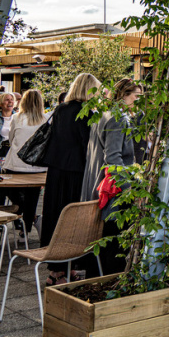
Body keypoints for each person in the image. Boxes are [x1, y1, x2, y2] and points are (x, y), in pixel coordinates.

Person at [40, 73, 100, 285]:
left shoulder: (60, 109)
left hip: (56, 172)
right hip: (76, 173)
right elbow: (88, 146)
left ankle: (59, 268)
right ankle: (64, 269)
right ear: (88, 89)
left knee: (55, 217)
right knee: (72, 221)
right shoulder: (85, 112)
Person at [82, 78, 142, 275]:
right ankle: (110, 278)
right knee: (114, 241)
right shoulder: (118, 118)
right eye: (136, 96)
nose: (139, 100)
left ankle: (100, 275)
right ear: (124, 95)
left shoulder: (104, 114)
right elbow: (114, 158)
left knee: (104, 238)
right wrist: (130, 190)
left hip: (101, 182)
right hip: (114, 189)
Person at [1, 89, 50, 235]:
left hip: (16, 164)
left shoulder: (17, 118)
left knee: (8, 190)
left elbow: (11, 139)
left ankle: (28, 220)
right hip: (38, 166)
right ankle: (28, 226)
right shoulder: (47, 118)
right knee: (32, 198)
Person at [0, 92, 16, 157]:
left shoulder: (19, 118)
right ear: (0, 103)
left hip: (15, 152)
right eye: (7, 100)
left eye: (12, 99)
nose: (10, 102)